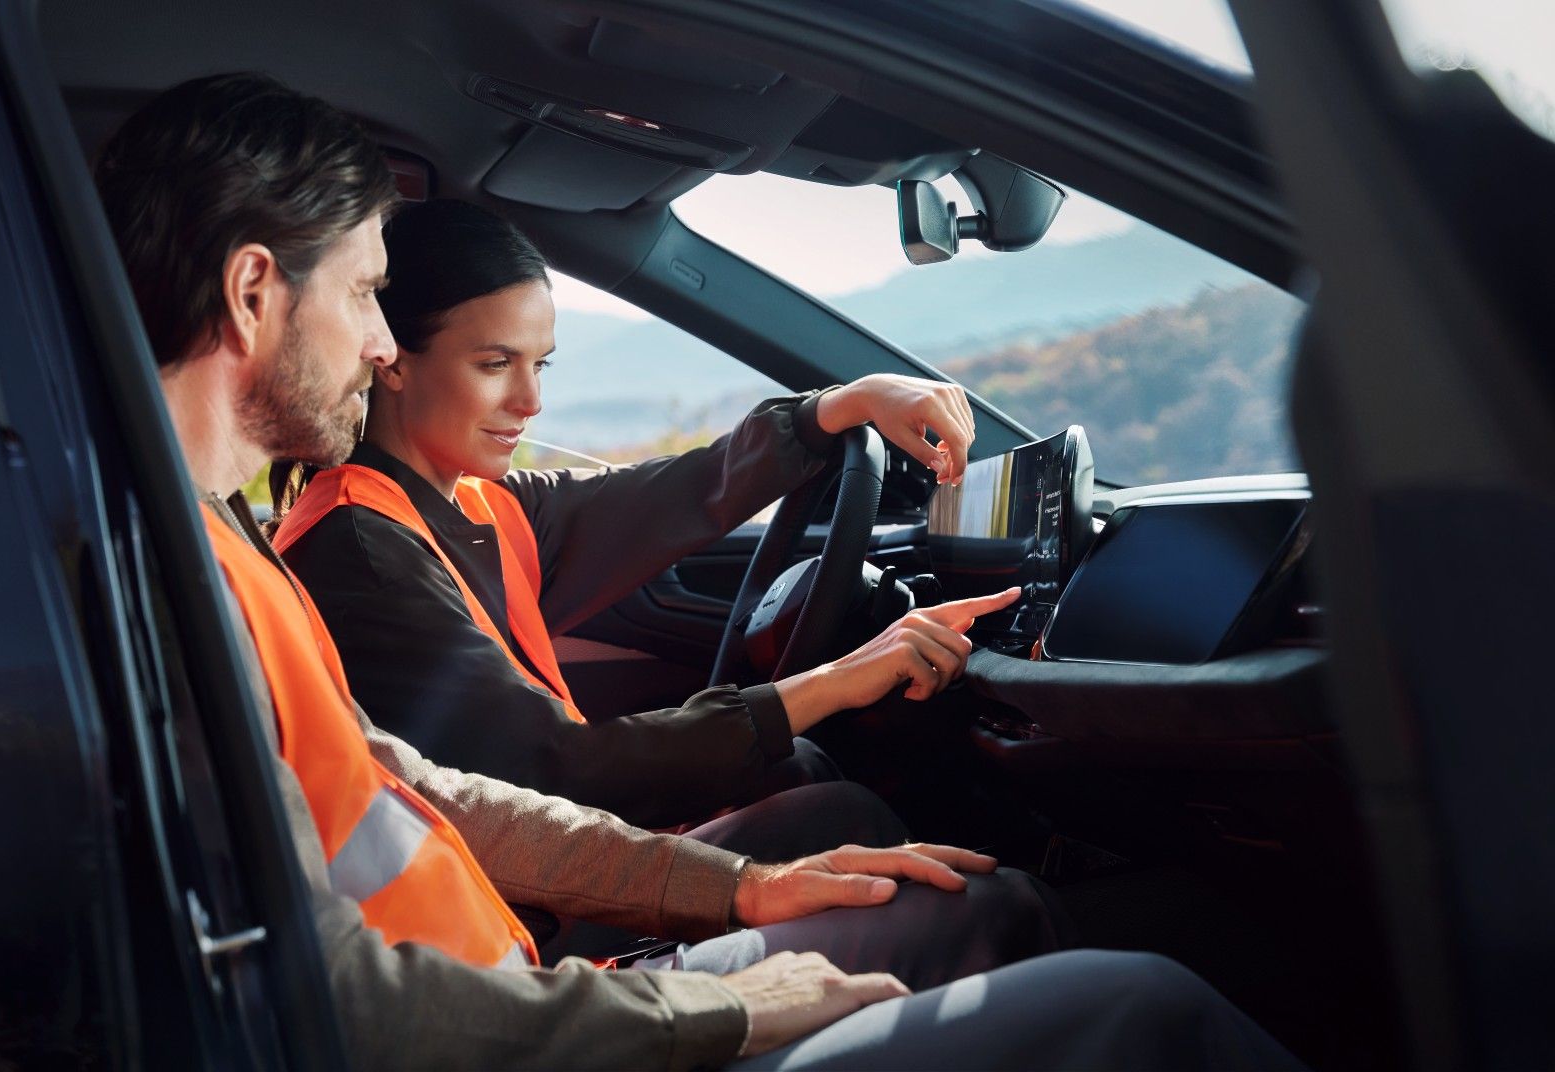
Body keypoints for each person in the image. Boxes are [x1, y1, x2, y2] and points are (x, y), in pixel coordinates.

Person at [93, 70, 1306, 1070]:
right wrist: (725, 1002)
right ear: (256, 292)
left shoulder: (229, 541)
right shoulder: (238, 566)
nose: (376, 333)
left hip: (526, 984)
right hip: (525, 1017)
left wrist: (739, 895)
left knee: (902, 874)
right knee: (1139, 1005)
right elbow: (352, 1000)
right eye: (366, 295)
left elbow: (435, 791)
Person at [268, 197, 1006, 853]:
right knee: (847, 816)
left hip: (567, 848)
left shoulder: (477, 506)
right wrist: (834, 683)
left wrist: (838, 407)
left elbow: (671, 495)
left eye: (541, 366)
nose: (530, 401)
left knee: (800, 771)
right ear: (392, 360)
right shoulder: (359, 546)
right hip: (521, 915)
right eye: (496, 363)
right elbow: (556, 770)